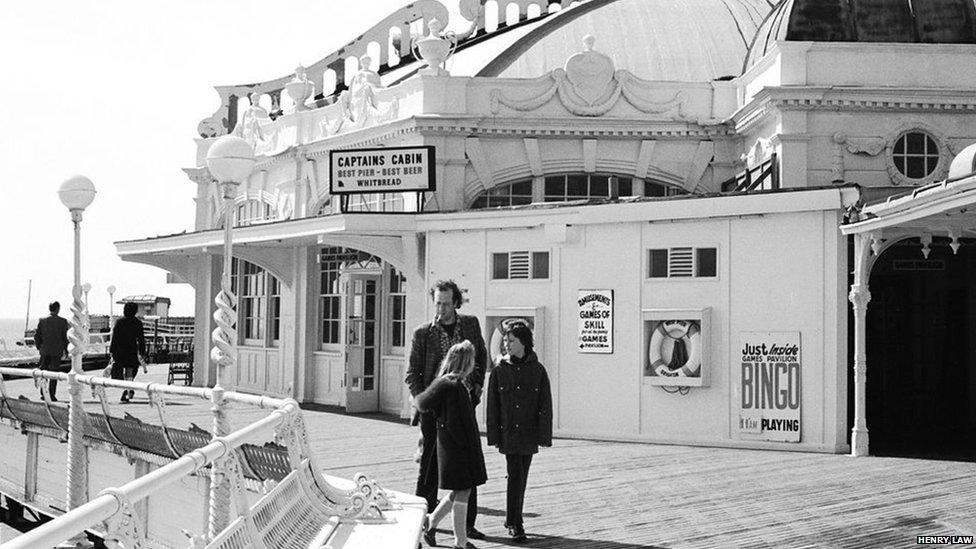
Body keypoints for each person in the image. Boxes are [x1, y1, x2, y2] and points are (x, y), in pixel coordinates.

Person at [406, 279, 488, 540]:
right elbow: (412, 373)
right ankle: (421, 524)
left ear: (455, 302)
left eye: (445, 303)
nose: (440, 308)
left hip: (463, 405)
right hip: (434, 409)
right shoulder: (423, 333)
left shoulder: (471, 324)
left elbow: (481, 358)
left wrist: (475, 389)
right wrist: (424, 401)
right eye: (437, 303)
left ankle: (466, 527)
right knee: (429, 467)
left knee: (467, 464)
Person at [414, 341, 487, 549]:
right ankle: (460, 542)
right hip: (458, 446)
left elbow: (422, 403)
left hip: (452, 444)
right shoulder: (453, 385)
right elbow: (455, 419)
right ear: (467, 362)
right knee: (463, 489)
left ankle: (430, 523)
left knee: (460, 490)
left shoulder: (450, 383)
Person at [486, 321, 552, 543]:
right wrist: (493, 436)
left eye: (511, 340)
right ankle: (516, 522)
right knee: (515, 476)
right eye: (505, 340)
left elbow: (545, 404)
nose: (506, 343)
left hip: (529, 432)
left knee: (522, 477)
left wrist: (544, 436)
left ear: (523, 342)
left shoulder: (538, 370)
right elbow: (492, 405)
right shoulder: (500, 370)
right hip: (509, 433)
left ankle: (511, 518)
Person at [109, 302, 146, 403]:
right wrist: (142, 352)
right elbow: (141, 339)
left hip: (119, 351)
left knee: (119, 371)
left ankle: (127, 390)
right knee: (130, 371)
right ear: (135, 311)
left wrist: (111, 351)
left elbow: (115, 338)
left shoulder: (119, 322)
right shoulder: (138, 323)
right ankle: (128, 390)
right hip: (131, 350)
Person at [34, 301, 69, 401]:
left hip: (44, 351)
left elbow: (37, 336)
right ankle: (51, 394)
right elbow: (64, 337)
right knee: (54, 373)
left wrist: (39, 347)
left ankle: (43, 392)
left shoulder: (42, 320)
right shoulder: (62, 321)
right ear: (58, 309)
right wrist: (66, 350)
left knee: (43, 372)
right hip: (56, 351)